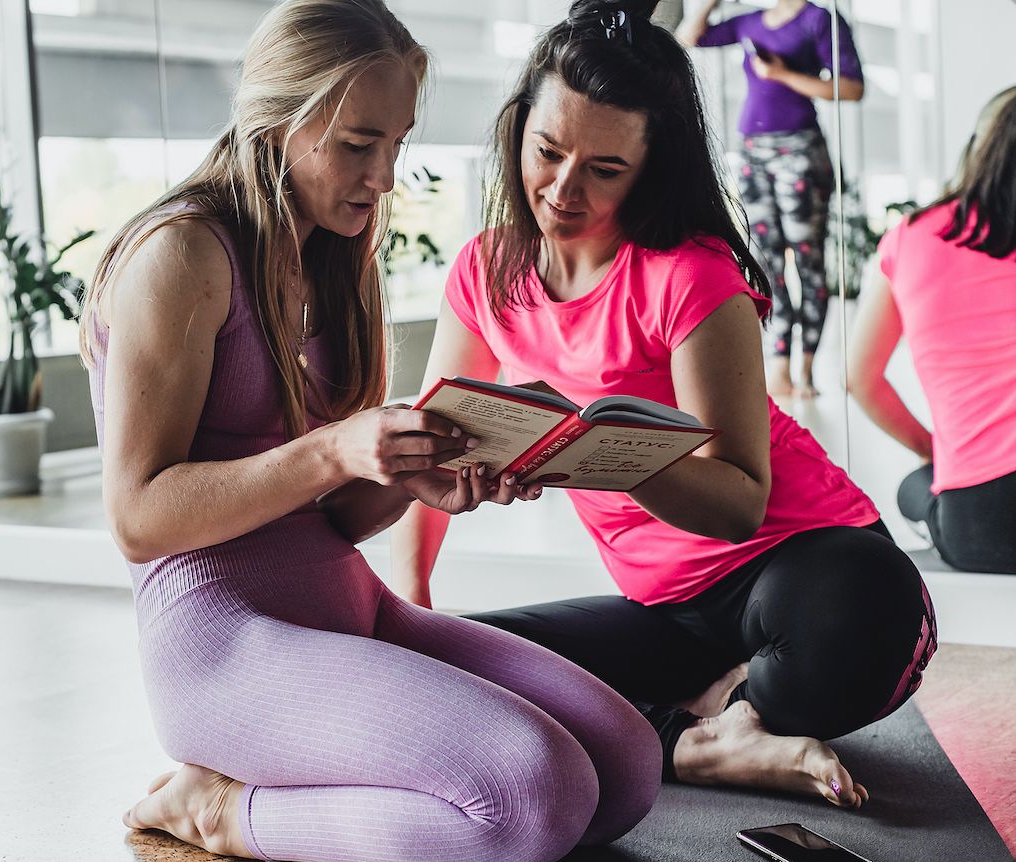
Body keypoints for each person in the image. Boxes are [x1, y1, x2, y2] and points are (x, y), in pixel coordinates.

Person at [78, 2, 661, 860]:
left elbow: (338, 519)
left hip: (347, 605)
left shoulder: (336, 257)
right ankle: (219, 813)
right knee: (535, 797)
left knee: (627, 765)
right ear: (277, 116)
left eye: (396, 145)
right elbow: (139, 519)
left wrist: (410, 474)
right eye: (359, 145)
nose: (383, 177)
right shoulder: (183, 254)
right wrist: (333, 449)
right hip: (221, 638)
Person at [392, 0, 935, 810]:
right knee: (455, 663)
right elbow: (435, 443)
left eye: (604, 170)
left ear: (650, 168)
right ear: (517, 133)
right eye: (548, 152)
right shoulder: (485, 268)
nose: (564, 189)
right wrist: (414, 612)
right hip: (663, 611)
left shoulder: (690, 273)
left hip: (797, 567)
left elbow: (742, 502)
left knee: (867, 611)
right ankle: (697, 741)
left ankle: (718, 710)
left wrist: (606, 455)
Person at [848, 86, 1016, 574]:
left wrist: (937, 452)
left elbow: (861, 379)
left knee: (914, 488)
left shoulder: (913, 235)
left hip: (982, 527)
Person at [678, 0, 865, 398]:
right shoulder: (750, 21)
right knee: (767, 260)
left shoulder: (820, 20)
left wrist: (783, 75)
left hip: (800, 150)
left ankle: (807, 369)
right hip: (752, 151)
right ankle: (780, 365)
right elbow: (687, 39)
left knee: (807, 257)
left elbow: (851, 87)